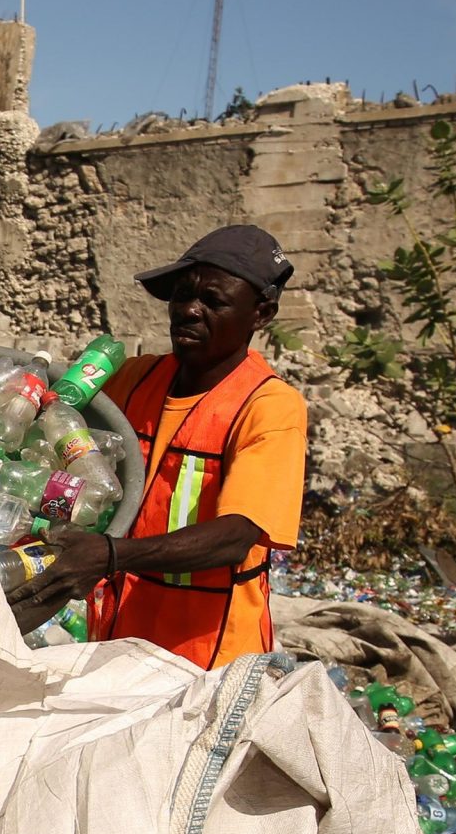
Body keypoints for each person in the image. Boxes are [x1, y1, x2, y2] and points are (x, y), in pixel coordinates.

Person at [32, 225, 306, 669]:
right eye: (182, 295)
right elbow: (42, 406)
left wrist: (111, 555)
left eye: (213, 301)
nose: (189, 311)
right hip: (117, 642)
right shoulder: (134, 379)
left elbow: (236, 537)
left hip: (205, 659)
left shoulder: (269, 407)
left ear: (261, 314)